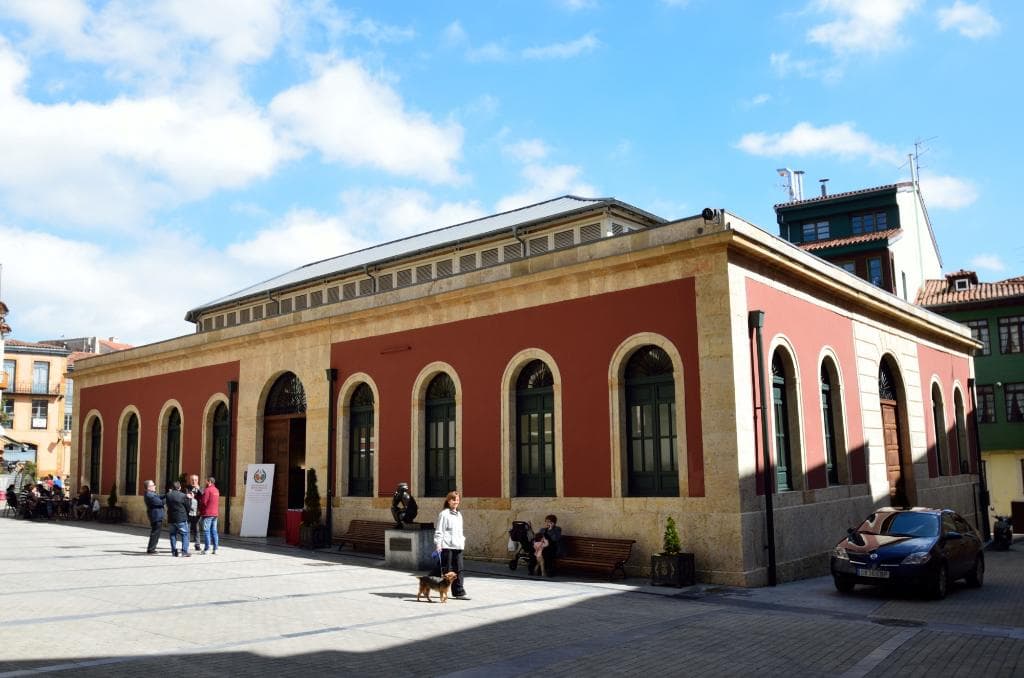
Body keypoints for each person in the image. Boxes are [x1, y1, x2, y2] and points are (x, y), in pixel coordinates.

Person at [433, 490, 467, 599]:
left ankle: (459, 592)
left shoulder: (459, 515)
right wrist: (438, 544)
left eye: (457, 500)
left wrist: (462, 540)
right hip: (447, 545)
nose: (456, 502)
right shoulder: (444, 514)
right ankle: (441, 589)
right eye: (453, 500)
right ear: (448, 501)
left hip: (458, 545)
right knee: (447, 570)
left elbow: (460, 531)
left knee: (459, 569)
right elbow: (439, 531)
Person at [165, 481, 191, 557]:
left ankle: (174, 551)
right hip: (181, 518)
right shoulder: (183, 495)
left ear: (172, 488)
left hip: (171, 518)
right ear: (179, 487)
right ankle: (184, 551)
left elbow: (167, 504)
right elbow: (188, 507)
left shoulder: (168, 495)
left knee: (172, 535)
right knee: (185, 534)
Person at [198, 476, 220, 555]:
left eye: (206, 481)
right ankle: (215, 548)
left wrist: (200, 510)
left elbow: (204, 502)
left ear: (209, 482)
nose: (205, 482)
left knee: (206, 531)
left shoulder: (207, 490)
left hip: (207, 513)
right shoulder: (217, 490)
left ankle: (207, 549)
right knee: (214, 531)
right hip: (215, 514)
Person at [143, 480, 165, 554]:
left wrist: (168, 494)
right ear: (149, 487)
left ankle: (152, 548)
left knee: (156, 533)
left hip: (156, 516)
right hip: (156, 516)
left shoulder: (152, 493)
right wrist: (169, 497)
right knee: (155, 533)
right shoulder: (150, 495)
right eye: (153, 485)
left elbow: (160, 496)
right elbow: (160, 502)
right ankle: (151, 549)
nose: (155, 486)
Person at [185, 474, 202, 551]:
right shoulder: (187, 488)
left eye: (195, 480)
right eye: (192, 480)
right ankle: (186, 544)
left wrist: (199, 489)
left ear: (198, 480)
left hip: (197, 512)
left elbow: (203, 497)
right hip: (188, 512)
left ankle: (197, 544)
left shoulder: (200, 489)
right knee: (187, 529)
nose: (193, 481)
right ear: (190, 480)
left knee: (196, 529)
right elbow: (184, 498)